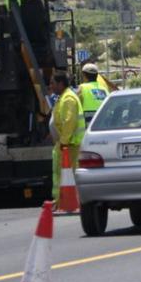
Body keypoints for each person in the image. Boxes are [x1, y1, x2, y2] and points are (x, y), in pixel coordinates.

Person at [48, 73, 84, 201]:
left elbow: (69, 121)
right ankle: (60, 200)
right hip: (67, 143)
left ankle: (66, 201)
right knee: (62, 172)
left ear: (60, 84)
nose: (50, 86)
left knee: (68, 173)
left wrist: (63, 142)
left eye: (53, 83)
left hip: (70, 144)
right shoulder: (63, 97)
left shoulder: (68, 98)